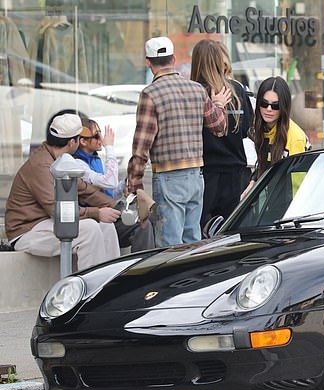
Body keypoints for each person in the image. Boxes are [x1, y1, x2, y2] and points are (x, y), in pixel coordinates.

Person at [126, 36, 231, 247]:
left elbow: (142, 146)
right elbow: (219, 127)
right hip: (196, 176)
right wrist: (219, 105)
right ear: (174, 59)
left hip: (168, 177)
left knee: (169, 247)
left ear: (148, 62)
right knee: (192, 243)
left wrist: (134, 182)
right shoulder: (196, 89)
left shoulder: (150, 94)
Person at [5, 113, 120, 271]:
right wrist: (96, 213)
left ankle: (110, 286)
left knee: (106, 226)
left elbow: (85, 190)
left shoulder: (61, 159)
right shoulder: (41, 165)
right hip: (27, 231)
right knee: (90, 229)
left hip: (48, 224)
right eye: (79, 139)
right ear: (72, 142)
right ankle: (89, 291)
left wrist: (118, 206)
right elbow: (56, 210)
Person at [190, 39, 254, 230]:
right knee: (234, 233)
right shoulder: (238, 90)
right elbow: (246, 130)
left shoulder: (196, 92)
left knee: (203, 235)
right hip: (237, 173)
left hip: (206, 174)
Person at [74, 117, 155, 252]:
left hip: (110, 212)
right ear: (82, 141)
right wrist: (109, 147)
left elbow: (109, 191)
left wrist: (125, 184)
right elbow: (109, 182)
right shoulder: (78, 164)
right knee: (143, 226)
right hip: (98, 219)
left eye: (101, 133)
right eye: (96, 136)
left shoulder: (94, 159)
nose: (102, 138)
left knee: (151, 218)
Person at [242, 76, 311, 197]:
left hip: (291, 203)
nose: (268, 109)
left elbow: (298, 186)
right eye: (264, 103)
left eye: (275, 105)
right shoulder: (262, 129)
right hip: (273, 196)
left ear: (283, 107)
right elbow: (265, 164)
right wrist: (253, 182)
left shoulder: (295, 138)